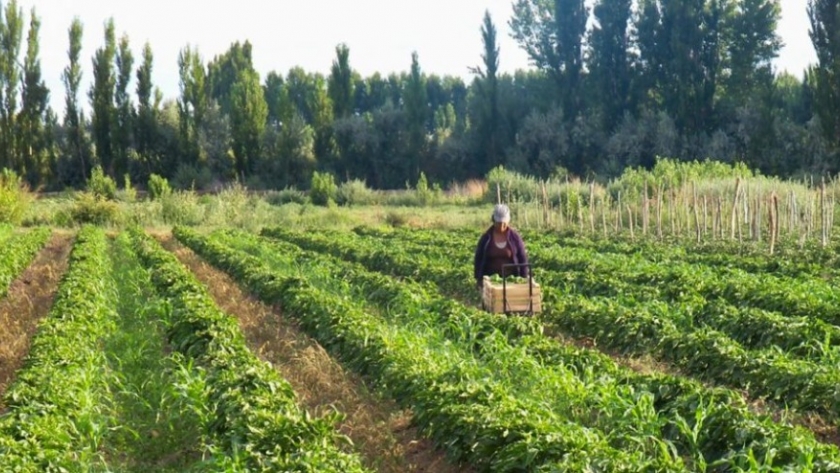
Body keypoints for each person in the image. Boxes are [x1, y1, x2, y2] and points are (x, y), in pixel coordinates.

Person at [473, 203, 529, 289]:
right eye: (499, 223)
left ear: (508, 221)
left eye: (504, 223)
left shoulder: (515, 238)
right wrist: (479, 278)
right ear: (493, 221)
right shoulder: (486, 237)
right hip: (491, 281)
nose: (502, 226)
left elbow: (522, 259)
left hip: (511, 280)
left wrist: (524, 278)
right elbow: (478, 258)